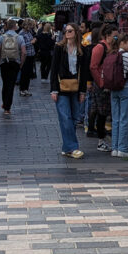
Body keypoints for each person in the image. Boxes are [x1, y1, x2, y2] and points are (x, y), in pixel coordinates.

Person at [49, 23, 88, 158]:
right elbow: (53, 69)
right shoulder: (59, 48)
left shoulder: (82, 50)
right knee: (65, 117)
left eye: (70, 31)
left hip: (76, 87)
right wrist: (53, 89)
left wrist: (83, 91)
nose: (67, 33)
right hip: (61, 87)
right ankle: (72, 147)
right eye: (66, 31)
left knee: (75, 117)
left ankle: (67, 147)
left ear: (76, 32)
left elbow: (83, 73)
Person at [0, 19, 26, 116]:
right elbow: (24, 53)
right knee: (11, 84)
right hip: (15, 62)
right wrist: (21, 64)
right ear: (15, 27)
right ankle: (8, 107)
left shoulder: (1, 37)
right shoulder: (19, 37)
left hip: (4, 63)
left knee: (5, 83)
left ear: (6, 26)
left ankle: (5, 103)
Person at [86, 25, 111, 152]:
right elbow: (93, 66)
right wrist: (100, 82)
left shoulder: (108, 47)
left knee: (100, 111)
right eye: (114, 35)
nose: (115, 38)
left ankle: (98, 134)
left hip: (105, 84)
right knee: (101, 112)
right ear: (107, 36)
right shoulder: (100, 47)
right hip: (101, 85)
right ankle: (101, 140)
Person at [18, 20, 37, 96]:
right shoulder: (21, 33)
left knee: (28, 73)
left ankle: (26, 89)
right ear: (26, 25)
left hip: (31, 54)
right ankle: (22, 89)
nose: (31, 27)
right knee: (24, 72)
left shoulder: (29, 32)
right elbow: (21, 45)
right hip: (26, 55)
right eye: (30, 26)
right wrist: (31, 42)